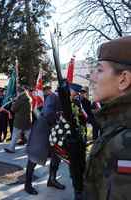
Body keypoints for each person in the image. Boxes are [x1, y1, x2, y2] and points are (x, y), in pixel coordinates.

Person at [85, 36, 131, 199]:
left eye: (99, 70)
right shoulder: (116, 125)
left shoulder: (126, 141)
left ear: (123, 80)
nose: (92, 77)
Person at [25, 89, 65, 195]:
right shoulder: (53, 97)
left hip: (53, 133)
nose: (74, 95)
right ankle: (27, 185)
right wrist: (59, 120)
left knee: (56, 157)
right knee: (33, 159)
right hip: (42, 133)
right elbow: (48, 114)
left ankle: (52, 180)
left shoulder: (62, 99)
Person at [4, 86, 32, 153]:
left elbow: (13, 109)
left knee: (15, 135)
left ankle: (11, 148)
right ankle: (30, 148)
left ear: (19, 92)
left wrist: (14, 101)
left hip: (19, 121)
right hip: (27, 120)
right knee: (29, 136)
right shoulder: (29, 98)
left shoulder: (20, 99)